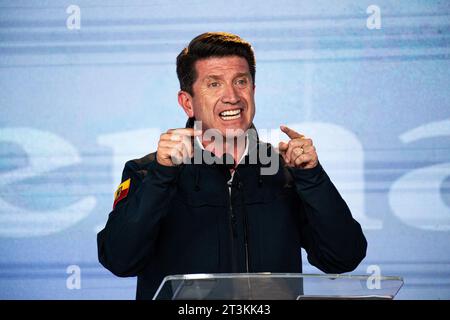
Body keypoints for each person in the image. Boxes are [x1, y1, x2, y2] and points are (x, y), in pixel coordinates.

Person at [97, 32, 367, 300]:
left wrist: (312, 177)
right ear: (187, 102)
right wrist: (161, 176)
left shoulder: (286, 170)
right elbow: (120, 260)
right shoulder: (147, 172)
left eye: (241, 81)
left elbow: (344, 258)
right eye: (214, 84)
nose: (232, 97)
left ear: (253, 90)